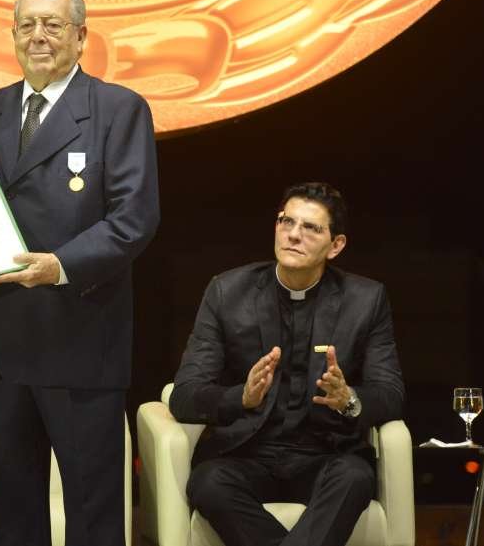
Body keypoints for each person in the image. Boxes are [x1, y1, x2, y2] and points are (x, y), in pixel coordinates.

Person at [0, 0, 160, 546]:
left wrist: (60, 266)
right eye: (27, 25)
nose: (38, 36)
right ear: (13, 34)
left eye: (53, 25)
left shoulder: (118, 109)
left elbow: (134, 218)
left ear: (81, 36)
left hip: (79, 341)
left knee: (93, 515)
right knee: (13, 514)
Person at [170, 182, 405, 546]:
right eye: (286, 221)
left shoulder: (366, 300)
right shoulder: (227, 292)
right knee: (208, 483)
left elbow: (390, 395)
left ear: (336, 245)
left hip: (325, 455)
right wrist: (241, 397)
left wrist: (348, 400)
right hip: (247, 454)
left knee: (355, 478)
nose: (293, 234)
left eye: (311, 228)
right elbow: (184, 396)